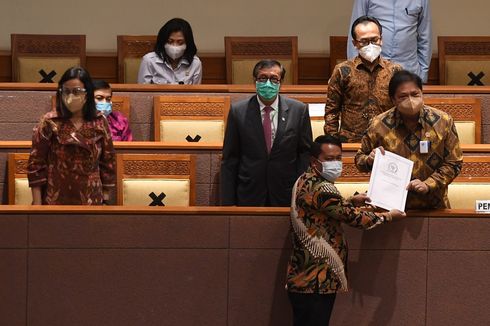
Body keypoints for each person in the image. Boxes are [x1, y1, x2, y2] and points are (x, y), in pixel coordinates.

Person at [287, 135, 405, 326]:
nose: (336, 163)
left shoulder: (304, 179)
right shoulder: (325, 188)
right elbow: (356, 219)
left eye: (339, 158)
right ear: (314, 161)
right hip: (317, 278)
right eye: (329, 159)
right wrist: (388, 216)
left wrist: (350, 200)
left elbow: (322, 209)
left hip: (302, 276)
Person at [355, 70, 463, 209]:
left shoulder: (443, 121)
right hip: (390, 207)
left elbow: (454, 163)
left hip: (434, 205)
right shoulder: (378, 124)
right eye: (403, 96)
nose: (410, 100)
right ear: (393, 99)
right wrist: (369, 160)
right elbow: (359, 159)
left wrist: (428, 184)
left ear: (422, 94)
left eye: (415, 94)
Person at [220, 59, 312, 206]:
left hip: (286, 193)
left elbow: (304, 155)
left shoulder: (299, 110)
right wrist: (227, 202)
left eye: (274, 79)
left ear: (281, 82)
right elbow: (230, 159)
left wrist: (302, 195)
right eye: (263, 78)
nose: (268, 83)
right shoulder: (238, 111)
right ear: (254, 81)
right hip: (249, 192)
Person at [27, 67, 116, 205]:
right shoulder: (50, 121)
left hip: (91, 199)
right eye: (66, 91)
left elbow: (108, 162)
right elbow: (36, 164)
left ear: (88, 93)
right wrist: (38, 206)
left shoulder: (99, 121)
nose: (70, 96)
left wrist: (105, 199)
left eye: (77, 91)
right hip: (55, 198)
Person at [325, 15, 402, 142]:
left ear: (381, 40)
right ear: (355, 43)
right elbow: (331, 111)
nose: (370, 45)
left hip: (387, 141)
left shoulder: (395, 70)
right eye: (364, 42)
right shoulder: (343, 70)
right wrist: (333, 142)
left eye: (374, 40)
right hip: (351, 141)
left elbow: (401, 108)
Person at [347, 0, 432, 83]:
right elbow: (355, 33)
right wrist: (355, 70)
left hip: (408, 69)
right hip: (373, 68)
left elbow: (425, 36)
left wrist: (423, 74)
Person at [137, 18, 202, 85]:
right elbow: (142, 92)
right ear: (163, 41)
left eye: (180, 42)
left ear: (188, 43)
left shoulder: (195, 63)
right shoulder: (149, 61)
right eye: (170, 41)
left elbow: (196, 93)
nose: (174, 46)